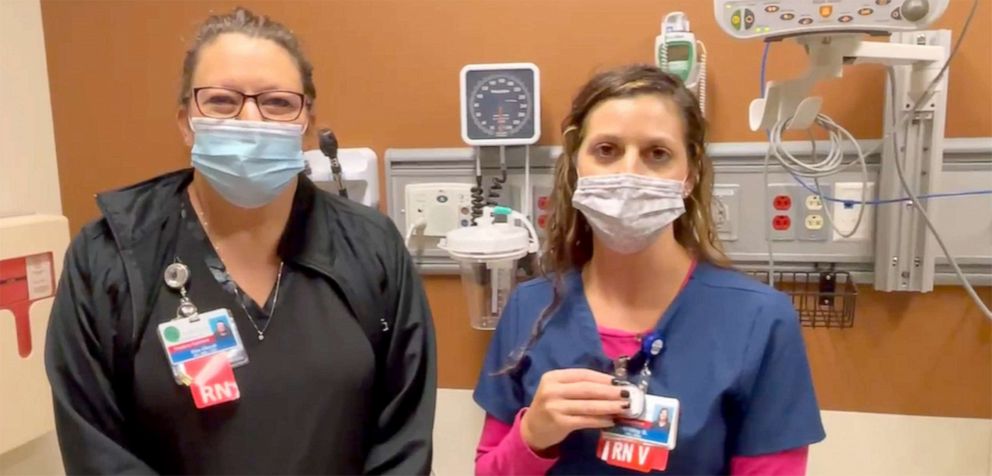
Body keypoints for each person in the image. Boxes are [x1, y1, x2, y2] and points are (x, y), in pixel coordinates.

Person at [45, 8, 436, 475]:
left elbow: (403, 440)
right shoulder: (109, 256)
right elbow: (96, 450)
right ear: (186, 121)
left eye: (276, 103)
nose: (250, 119)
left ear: (306, 122)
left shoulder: (372, 248)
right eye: (222, 101)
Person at [474, 65, 824, 475]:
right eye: (606, 150)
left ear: (690, 175)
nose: (629, 173)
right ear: (576, 165)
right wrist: (532, 435)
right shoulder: (529, 307)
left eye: (657, 154)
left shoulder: (760, 321)